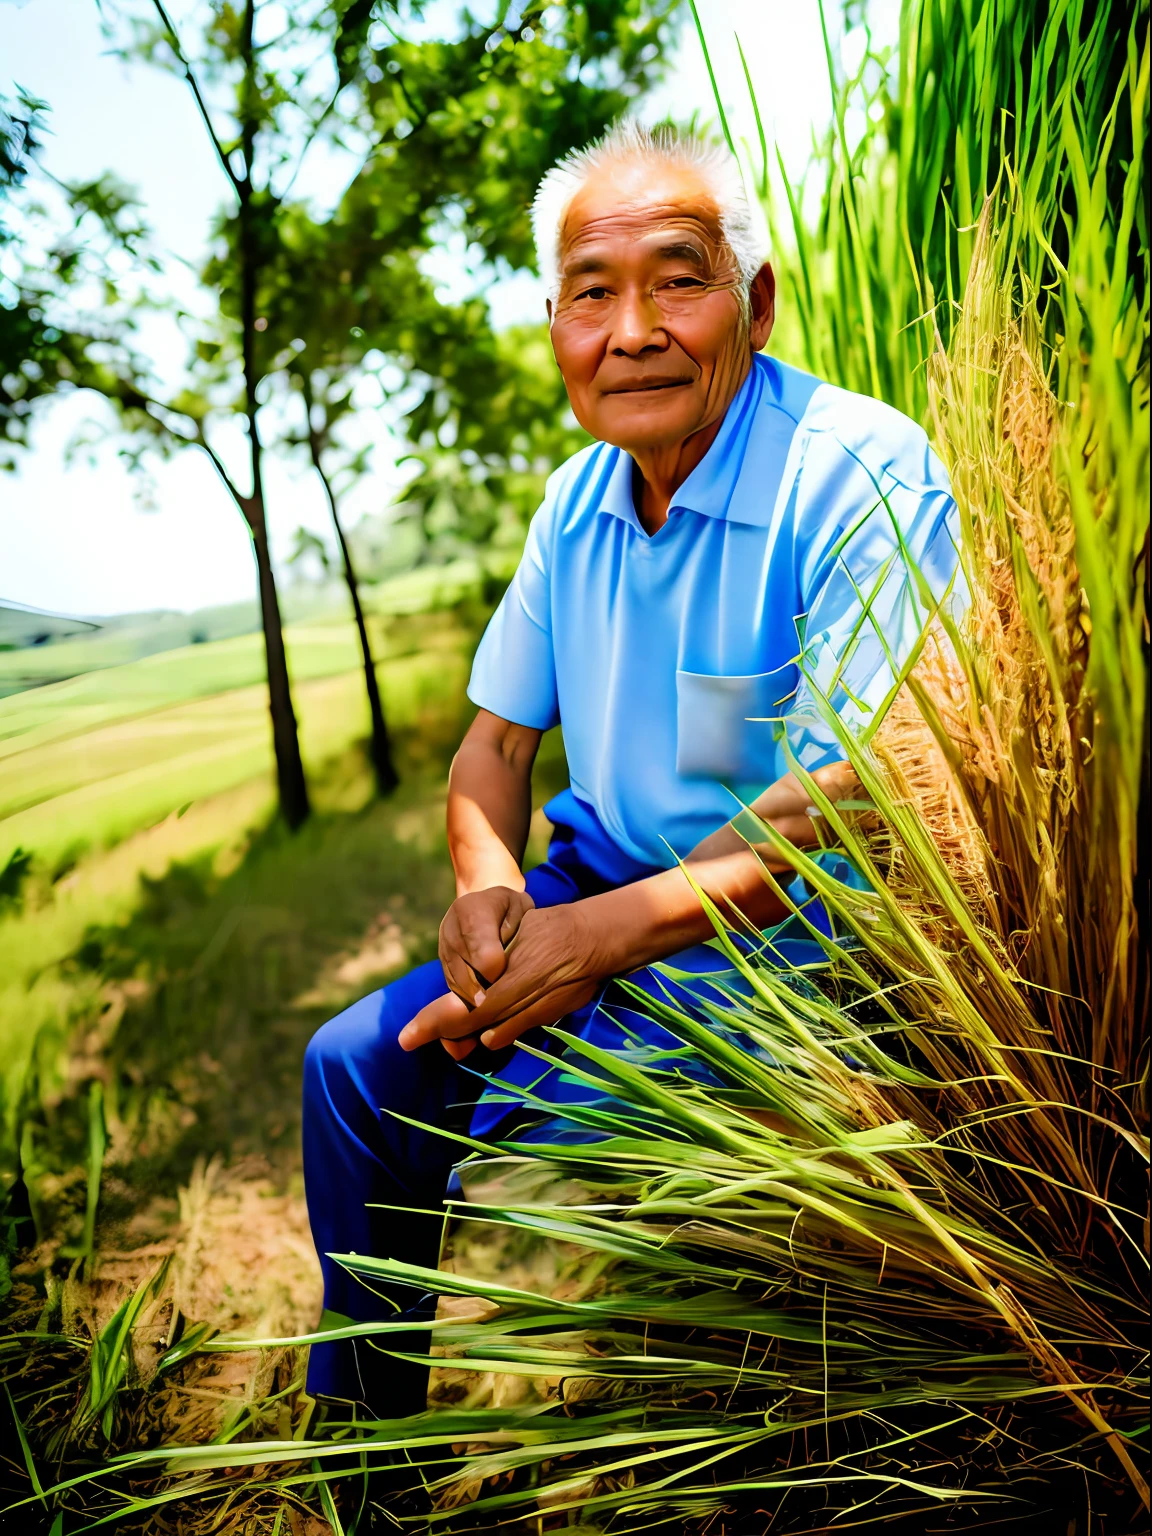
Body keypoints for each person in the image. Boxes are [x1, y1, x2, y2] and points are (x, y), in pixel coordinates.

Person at [301, 123, 957, 1417]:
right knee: (359, 1066)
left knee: (721, 1290)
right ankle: (374, 1445)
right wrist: (487, 881)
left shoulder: (864, 478)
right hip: (601, 887)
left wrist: (591, 940)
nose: (634, 329)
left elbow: (840, 817)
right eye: (593, 293)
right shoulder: (577, 504)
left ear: (756, 304)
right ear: (556, 328)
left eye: (680, 278)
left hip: (804, 950)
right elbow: (494, 743)